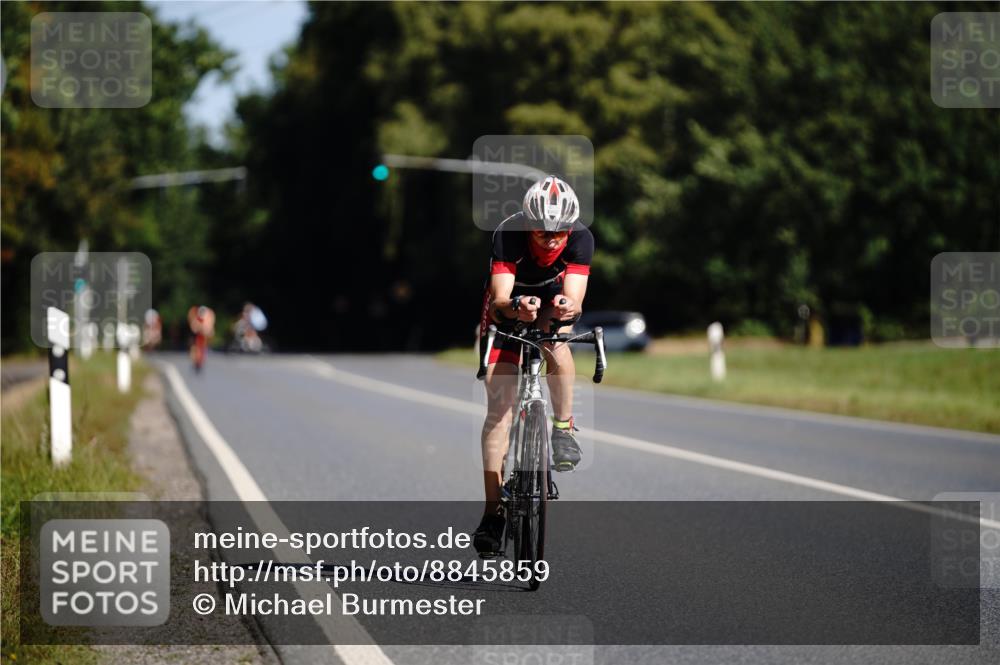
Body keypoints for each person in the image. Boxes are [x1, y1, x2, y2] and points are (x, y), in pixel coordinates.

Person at [474, 175, 593, 555]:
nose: (552, 240)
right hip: (510, 306)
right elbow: (499, 301)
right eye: (543, 233)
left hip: (550, 302)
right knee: (500, 412)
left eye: (560, 233)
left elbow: (575, 301)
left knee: (557, 339)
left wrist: (566, 308)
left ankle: (563, 428)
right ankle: (492, 512)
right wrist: (516, 308)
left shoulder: (580, 238)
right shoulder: (509, 234)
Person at [187, 305, 216, 371]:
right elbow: (193, 328)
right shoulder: (195, 316)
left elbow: (209, 328)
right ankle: (195, 358)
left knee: (203, 346)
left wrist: (206, 330)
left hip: (203, 336)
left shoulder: (209, 316)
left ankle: (201, 358)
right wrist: (198, 327)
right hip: (197, 336)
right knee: (194, 346)